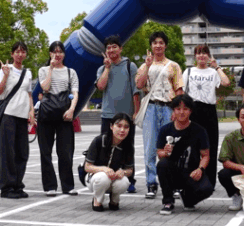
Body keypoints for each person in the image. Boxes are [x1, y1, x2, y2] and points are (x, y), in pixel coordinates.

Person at [136, 30, 184, 199]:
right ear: (151, 46)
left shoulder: (173, 65)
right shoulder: (144, 66)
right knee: (150, 147)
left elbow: (179, 90)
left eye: (161, 42)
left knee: (171, 146)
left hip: (168, 108)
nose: (158, 45)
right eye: (155, 42)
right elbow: (139, 85)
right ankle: (151, 183)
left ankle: (174, 183)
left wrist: (177, 111)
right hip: (150, 108)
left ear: (165, 46)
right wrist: (147, 66)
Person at [95, 34, 140, 193]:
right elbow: (101, 86)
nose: (111, 50)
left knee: (128, 148)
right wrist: (107, 68)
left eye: (114, 46)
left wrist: (136, 112)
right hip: (108, 116)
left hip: (126, 116)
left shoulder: (130, 66)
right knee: (105, 148)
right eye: (108, 48)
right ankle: (106, 178)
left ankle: (130, 180)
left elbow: (136, 91)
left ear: (120, 49)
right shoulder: (102, 69)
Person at [155, 94, 213, 215]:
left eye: (185, 109)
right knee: (162, 164)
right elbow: (159, 153)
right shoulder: (165, 130)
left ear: (190, 111)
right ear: (173, 110)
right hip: (173, 172)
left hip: (191, 172)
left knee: (207, 189)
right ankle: (168, 201)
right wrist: (165, 152)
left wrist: (200, 169)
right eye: (178, 109)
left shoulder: (199, 131)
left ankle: (188, 198)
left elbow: (205, 155)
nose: (182, 112)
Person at [182, 44, 230, 186]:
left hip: (209, 110)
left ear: (208, 56)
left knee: (210, 145)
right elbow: (181, 92)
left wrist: (217, 67)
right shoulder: (188, 71)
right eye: (199, 53)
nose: (202, 56)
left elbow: (226, 82)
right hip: (193, 110)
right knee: (193, 145)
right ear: (195, 56)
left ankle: (209, 181)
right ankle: (193, 177)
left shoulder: (213, 73)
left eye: (205, 53)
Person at [0, 41, 36, 199]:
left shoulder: (28, 73)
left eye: (23, 51)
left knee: (22, 152)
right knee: (8, 153)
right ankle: (7, 188)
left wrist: (31, 111)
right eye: (17, 51)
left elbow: (29, 94)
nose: (20, 54)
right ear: (12, 54)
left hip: (22, 116)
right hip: (8, 115)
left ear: (26, 54)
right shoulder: (6, 69)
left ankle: (18, 185)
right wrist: (5, 76)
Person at [37, 41, 79, 196]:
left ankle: (68, 186)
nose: (57, 54)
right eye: (54, 51)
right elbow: (45, 88)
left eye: (60, 51)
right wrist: (51, 69)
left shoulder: (71, 72)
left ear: (64, 54)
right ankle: (50, 186)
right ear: (50, 54)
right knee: (45, 151)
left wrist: (72, 109)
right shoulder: (43, 70)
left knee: (66, 151)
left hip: (64, 115)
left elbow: (75, 93)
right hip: (46, 115)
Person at [83, 112, 135, 211]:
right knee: (103, 177)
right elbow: (87, 167)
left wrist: (123, 172)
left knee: (124, 182)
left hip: (114, 178)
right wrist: (104, 169)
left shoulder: (128, 146)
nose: (122, 130)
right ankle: (97, 200)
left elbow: (130, 170)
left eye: (126, 127)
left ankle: (114, 199)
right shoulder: (99, 140)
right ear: (111, 126)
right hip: (94, 178)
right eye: (119, 126)